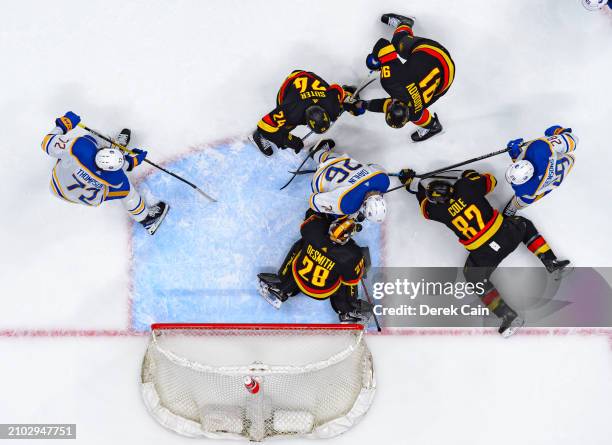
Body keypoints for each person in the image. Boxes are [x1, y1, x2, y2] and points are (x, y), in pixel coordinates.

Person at [398, 168, 570, 337]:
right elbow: (491, 181)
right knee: (523, 224)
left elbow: (424, 207)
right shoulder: (466, 186)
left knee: (473, 277)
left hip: (484, 253)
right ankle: (551, 263)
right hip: (505, 234)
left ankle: (508, 316)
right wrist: (469, 175)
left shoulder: (437, 211)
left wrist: (412, 184)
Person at [41, 111, 169, 235]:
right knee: (128, 192)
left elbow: (47, 143)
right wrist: (132, 161)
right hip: (88, 197)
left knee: (92, 137)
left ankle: (114, 147)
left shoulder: (82, 146)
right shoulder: (117, 178)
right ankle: (146, 220)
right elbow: (125, 166)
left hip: (56, 185)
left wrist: (64, 125)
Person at [355, 13, 455, 142]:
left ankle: (434, 126)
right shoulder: (390, 82)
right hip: (433, 52)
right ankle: (405, 24)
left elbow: (387, 105)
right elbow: (383, 44)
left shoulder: (413, 112)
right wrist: (376, 59)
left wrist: (365, 105)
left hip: (447, 77)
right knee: (396, 43)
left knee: (419, 114)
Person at [258, 211, 372, 323]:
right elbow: (351, 280)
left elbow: (311, 213)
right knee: (349, 276)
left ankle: (282, 287)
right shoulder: (352, 254)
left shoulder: (315, 229)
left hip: (298, 280)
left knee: (302, 243)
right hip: (322, 291)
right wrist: (360, 264)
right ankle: (347, 310)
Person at [250, 70, 355, 156]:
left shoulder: (330, 103)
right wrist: (287, 140)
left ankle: (345, 97)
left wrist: (347, 100)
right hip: (292, 81)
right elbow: (264, 124)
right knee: (284, 126)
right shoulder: (291, 112)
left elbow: (337, 89)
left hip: (309, 77)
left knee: (336, 108)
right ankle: (259, 136)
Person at [307, 139, 390, 223]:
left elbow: (372, 165)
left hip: (337, 161)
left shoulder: (383, 179)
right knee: (339, 215)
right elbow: (313, 200)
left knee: (337, 160)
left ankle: (317, 153)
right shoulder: (348, 206)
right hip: (319, 180)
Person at [503, 125, 577, 216]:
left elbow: (521, 161)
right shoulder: (541, 148)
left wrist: (515, 155)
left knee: (521, 203)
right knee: (526, 199)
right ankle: (515, 206)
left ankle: (514, 207)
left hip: (551, 182)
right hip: (564, 166)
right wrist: (559, 132)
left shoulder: (525, 189)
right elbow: (573, 140)